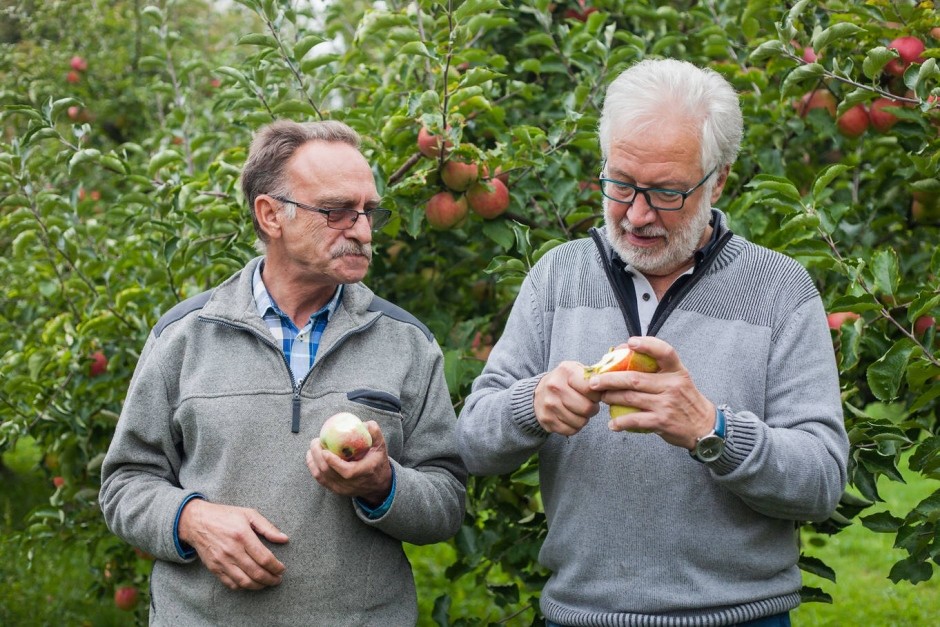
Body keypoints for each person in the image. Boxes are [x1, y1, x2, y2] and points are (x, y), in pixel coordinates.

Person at [456, 58, 849, 626]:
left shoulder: (779, 290)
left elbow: (821, 482)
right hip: (580, 615)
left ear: (718, 180)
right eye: (620, 184)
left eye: (665, 192)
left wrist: (712, 430)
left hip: (737, 618)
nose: (636, 215)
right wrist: (531, 404)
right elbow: (473, 442)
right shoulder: (558, 277)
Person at [99, 119, 467, 626]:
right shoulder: (185, 337)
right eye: (337, 211)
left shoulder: (405, 342)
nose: (361, 230)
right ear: (271, 215)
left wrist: (383, 484)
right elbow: (125, 483)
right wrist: (191, 519)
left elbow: (446, 501)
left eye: (368, 212)